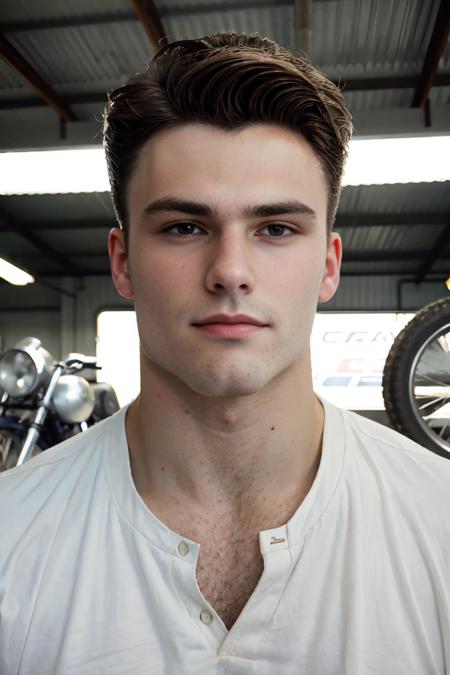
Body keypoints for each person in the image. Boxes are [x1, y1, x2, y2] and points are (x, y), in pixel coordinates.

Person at [1, 31, 449, 675]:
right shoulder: (10, 539)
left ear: (328, 264)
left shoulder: (441, 525)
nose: (230, 271)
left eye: (275, 229)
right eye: (185, 227)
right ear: (123, 263)